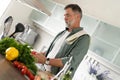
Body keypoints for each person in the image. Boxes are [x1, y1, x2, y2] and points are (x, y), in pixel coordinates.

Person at [32, 4, 90, 78]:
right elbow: (52, 51)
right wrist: (39, 55)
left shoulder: (84, 38)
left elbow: (70, 61)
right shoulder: (62, 33)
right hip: (43, 71)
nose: (65, 18)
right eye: (64, 15)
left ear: (78, 17)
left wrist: (46, 60)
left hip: (56, 77)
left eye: (68, 15)